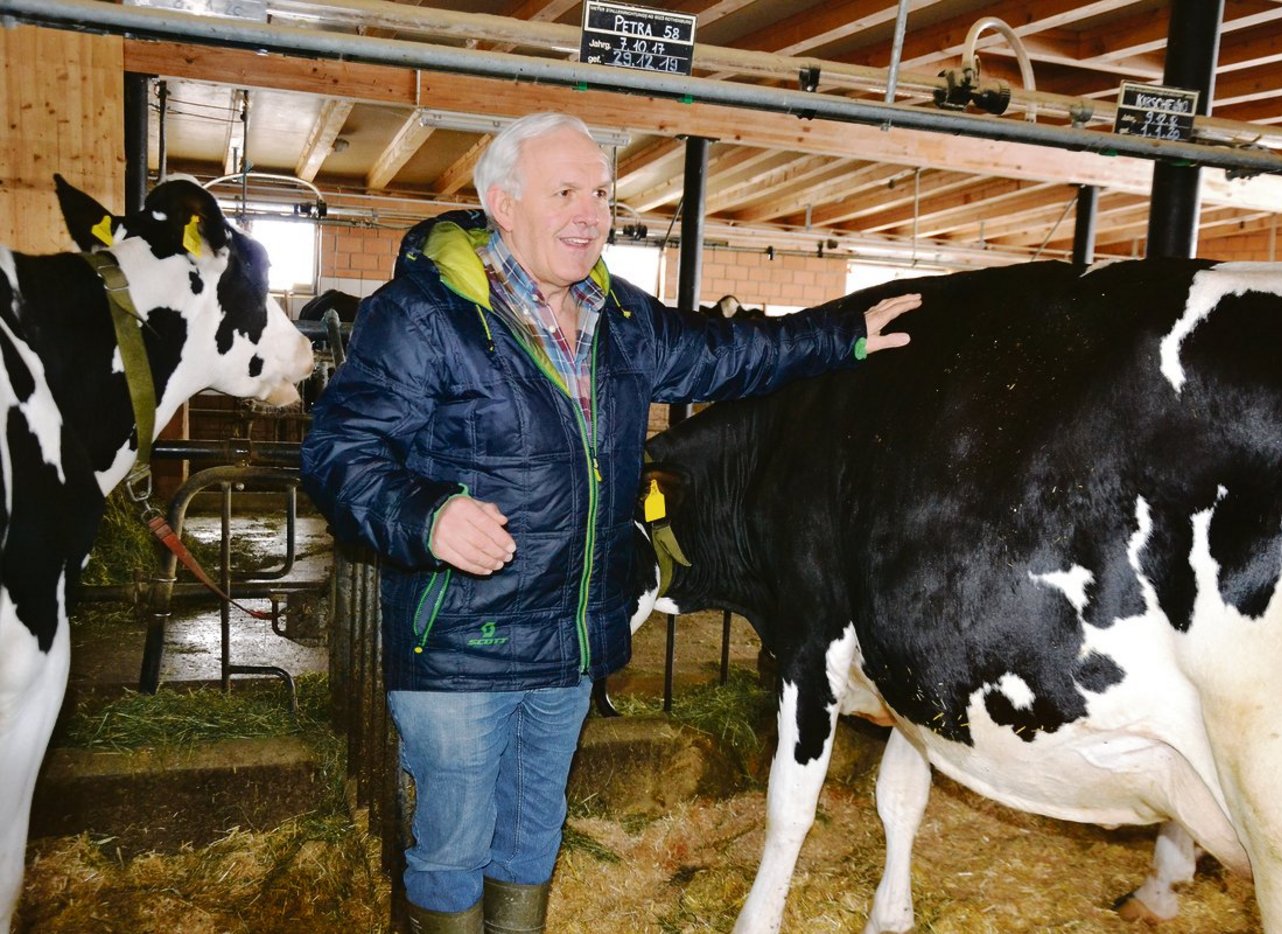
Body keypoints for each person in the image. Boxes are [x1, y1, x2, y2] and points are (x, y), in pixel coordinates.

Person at [300, 111, 917, 934]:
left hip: (572, 642)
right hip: (461, 646)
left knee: (531, 837)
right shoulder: (423, 318)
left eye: (600, 193)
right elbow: (341, 452)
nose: (591, 212)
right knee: (451, 845)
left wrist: (844, 336)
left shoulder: (617, 318)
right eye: (565, 192)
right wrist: (427, 516)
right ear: (502, 204)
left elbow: (728, 353)